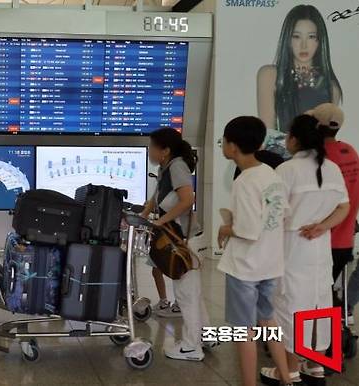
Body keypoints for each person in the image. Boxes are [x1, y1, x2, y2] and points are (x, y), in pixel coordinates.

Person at [260, 114, 349, 386]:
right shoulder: (332, 168)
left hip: (291, 247)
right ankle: (316, 366)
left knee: (288, 307)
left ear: (295, 139)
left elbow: (270, 213)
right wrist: (322, 226)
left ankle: (289, 370)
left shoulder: (286, 170)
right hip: (320, 249)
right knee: (320, 303)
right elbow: (343, 207)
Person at [217, 116, 294, 386]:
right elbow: (283, 214)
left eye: (223, 142)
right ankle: (286, 378)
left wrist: (226, 228)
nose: (222, 146)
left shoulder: (245, 181)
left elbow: (248, 230)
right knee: (269, 322)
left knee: (243, 332)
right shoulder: (271, 174)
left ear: (233, 146)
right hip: (269, 264)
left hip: (245, 268)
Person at [139, 128, 209, 361]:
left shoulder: (177, 166)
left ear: (165, 150)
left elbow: (188, 199)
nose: (150, 151)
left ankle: (191, 347)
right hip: (182, 237)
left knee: (187, 294)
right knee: (194, 293)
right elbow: (155, 198)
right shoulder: (165, 168)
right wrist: (144, 215)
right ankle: (205, 336)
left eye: (152, 147)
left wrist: (160, 220)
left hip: (184, 240)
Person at [257, 5, 342, 157]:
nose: (304, 45)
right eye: (296, 36)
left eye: (311, 37)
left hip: (318, 166)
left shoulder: (330, 86)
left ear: (319, 40)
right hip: (280, 161)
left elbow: (326, 139)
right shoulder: (270, 75)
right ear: (287, 39)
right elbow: (267, 134)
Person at [306, 104, 359, 320]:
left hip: (320, 238)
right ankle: (336, 330)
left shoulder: (319, 157)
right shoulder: (350, 152)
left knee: (316, 292)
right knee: (325, 289)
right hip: (345, 239)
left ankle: (326, 338)